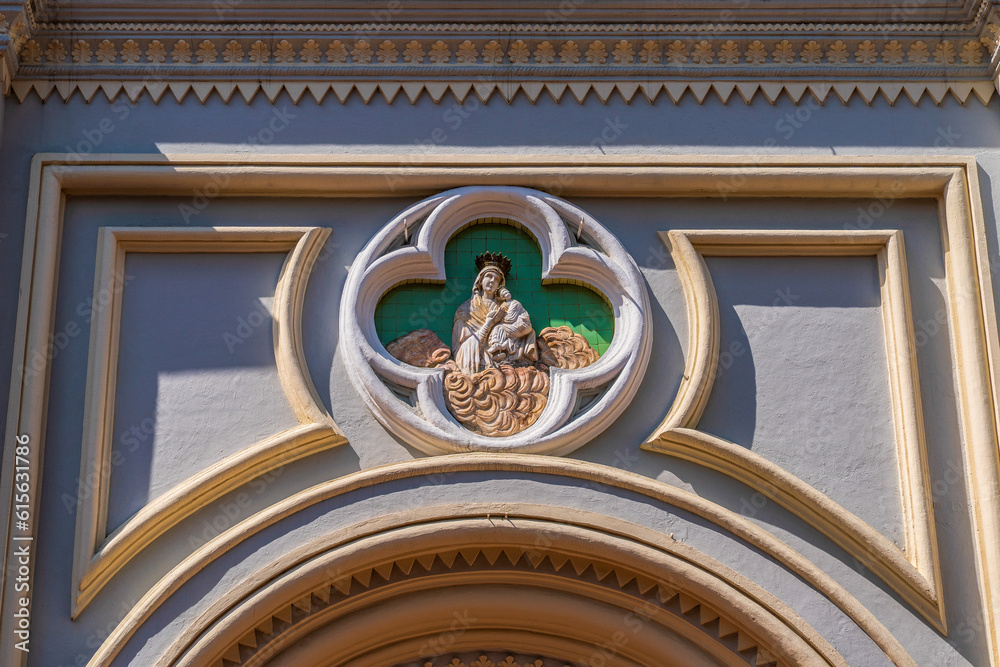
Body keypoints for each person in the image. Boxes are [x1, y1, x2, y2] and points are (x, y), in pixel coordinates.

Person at [451, 253, 538, 375]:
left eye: (496, 279)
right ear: (480, 280)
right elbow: (461, 351)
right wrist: (489, 324)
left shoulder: (507, 307)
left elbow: (522, 326)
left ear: (500, 285)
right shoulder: (466, 310)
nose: (492, 281)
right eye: (489, 276)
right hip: (479, 361)